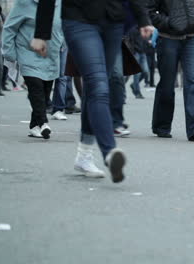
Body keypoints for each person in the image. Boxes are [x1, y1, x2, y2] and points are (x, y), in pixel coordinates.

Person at [32, 0, 154, 182]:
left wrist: (143, 19)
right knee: (98, 84)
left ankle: (84, 155)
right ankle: (110, 152)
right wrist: (41, 34)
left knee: (94, 86)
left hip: (113, 20)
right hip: (78, 19)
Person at [147, 0, 194, 141]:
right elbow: (150, 11)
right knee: (167, 85)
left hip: (192, 38)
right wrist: (168, 23)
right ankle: (161, 126)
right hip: (168, 38)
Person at [2, 0, 63, 139]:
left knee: (45, 91)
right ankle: (43, 123)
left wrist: (64, 43)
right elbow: (9, 27)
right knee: (36, 87)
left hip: (51, 54)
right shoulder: (24, 2)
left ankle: (34, 126)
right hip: (27, 52)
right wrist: (9, 53)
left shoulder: (60, 3)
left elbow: (64, 26)